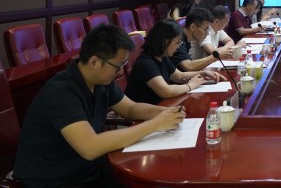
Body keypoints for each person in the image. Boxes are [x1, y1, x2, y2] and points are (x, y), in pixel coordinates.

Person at [13, 24, 186, 188]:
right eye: (118, 66)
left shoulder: (101, 81)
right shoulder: (60, 92)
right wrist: (155, 125)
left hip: (87, 169)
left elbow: (130, 109)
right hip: (53, 179)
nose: (120, 72)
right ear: (94, 62)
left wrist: (166, 112)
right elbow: (90, 147)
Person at [125, 20, 224, 105]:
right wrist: (190, 86)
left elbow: (179, 76)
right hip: (142, 115)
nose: (179, 46)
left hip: (159, 107)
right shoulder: (145, 63)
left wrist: (202, 73)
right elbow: (166, 91)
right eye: (177, 42)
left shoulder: (162, 57)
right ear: (164, 41)